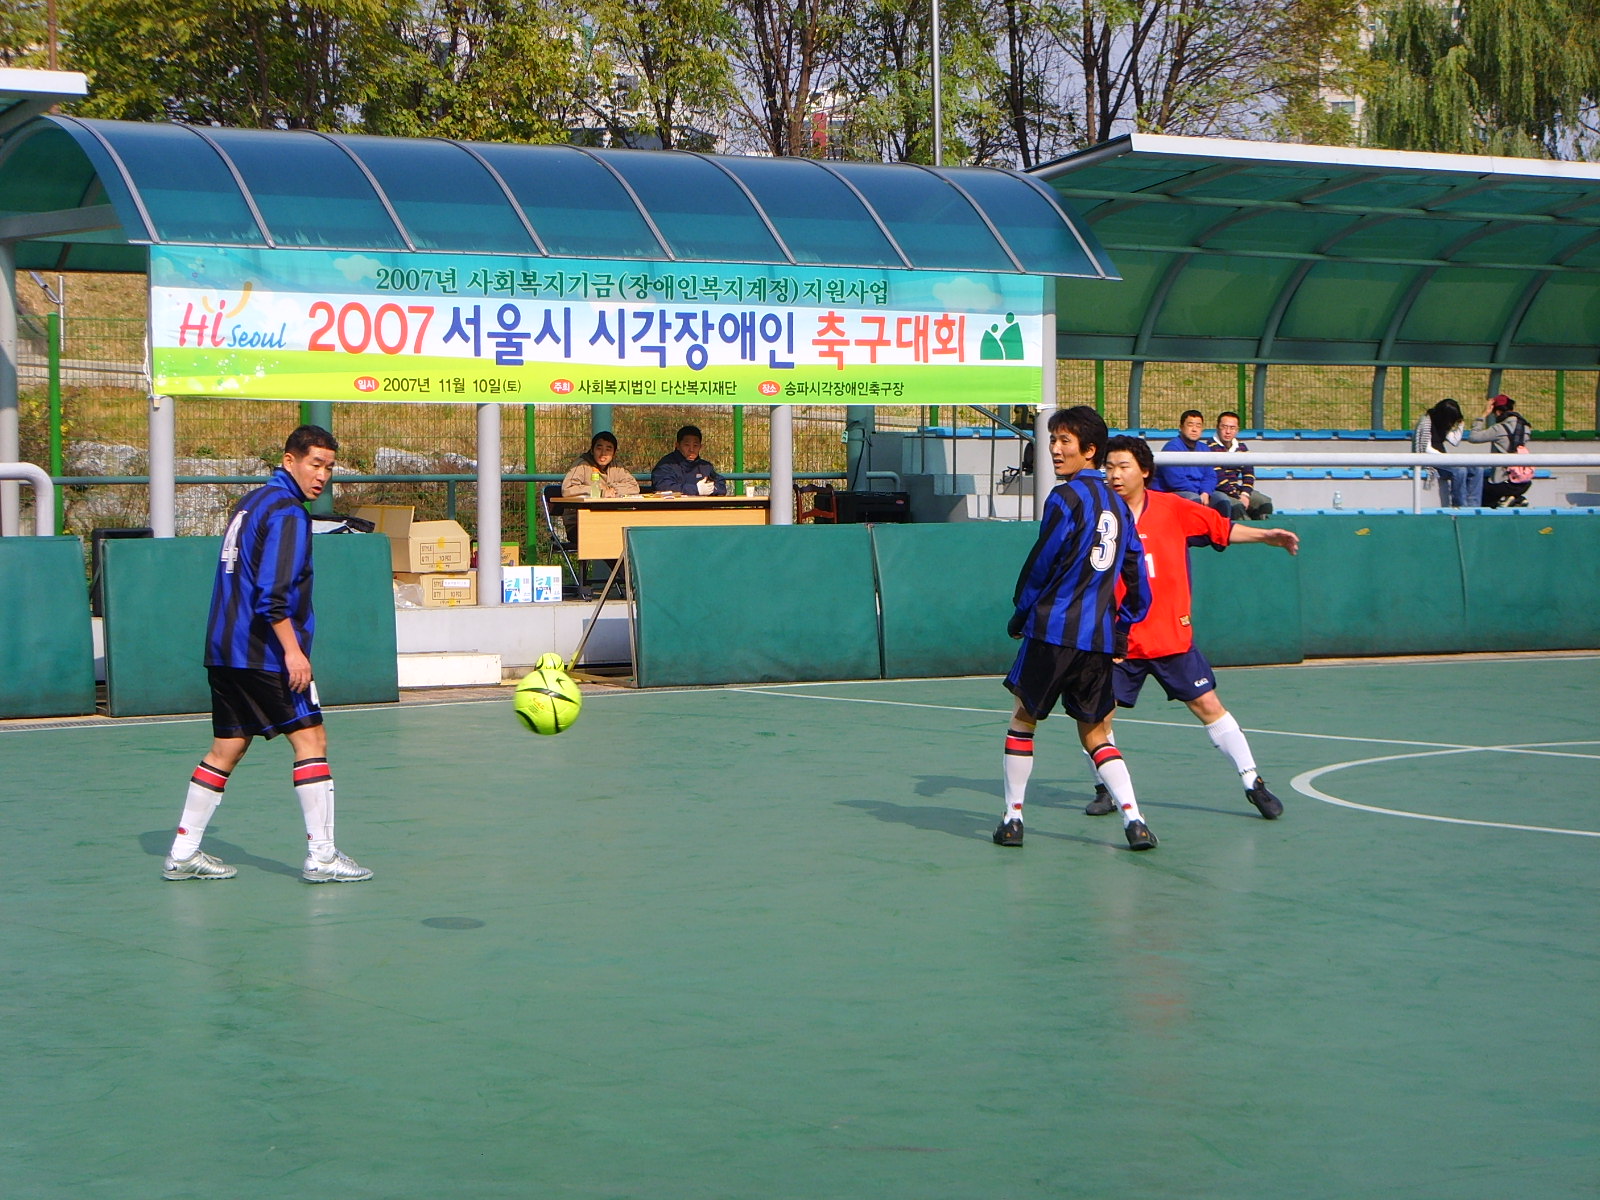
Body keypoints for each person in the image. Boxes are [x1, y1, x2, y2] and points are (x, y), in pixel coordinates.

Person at [161, 425, 372, 884]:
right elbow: (272, 596)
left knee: (227, 747)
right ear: (289, 460)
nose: (322, 476)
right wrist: (293, 653)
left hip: (223, 649)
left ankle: (183, 851)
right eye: (315, 464)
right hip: (263, 653)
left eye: (329, 468)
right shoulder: (288, 512)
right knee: (311, 741)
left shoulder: (250, 502)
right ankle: (323, 856)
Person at [1081, 436, 1299, 824]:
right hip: (1116, 641)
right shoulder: (1098, 516)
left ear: (1145, 471)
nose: (1114, 474)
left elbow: (1223, 529)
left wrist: (1266, 536)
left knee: (1209, 706)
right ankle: (1106, 789)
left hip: (1169, 637)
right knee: (1096, 719)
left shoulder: (1172, 509)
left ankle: (1253, 782)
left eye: (1123, 466)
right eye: (1109, 467)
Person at [996, 406, 1157, 851]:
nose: (1054, 448)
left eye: (1066, 441)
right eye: (1053, 440)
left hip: (1052, 631)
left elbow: (1042, 562)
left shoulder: (1064, 498)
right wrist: (1124, 625)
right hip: (1098, 640)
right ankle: (1135, 820)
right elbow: (1136, 579)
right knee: (1096, 733)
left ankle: (1013, 818)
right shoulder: (1122, 509)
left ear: (1090, 451)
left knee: (1023, 719)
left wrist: (1021, 612)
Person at [1154, 409, 1230, 515]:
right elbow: (1176, 481)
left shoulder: (1204, 448)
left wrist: (1205, 492)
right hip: (1172, 493)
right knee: (1193, 499)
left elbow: (1210, 476)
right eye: (1190, 425)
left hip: (1198, 492)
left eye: (1198, 426)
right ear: (1181, 427)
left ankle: (1223, 530)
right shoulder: (1172, 448)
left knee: (1222, 499)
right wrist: (1198, 494)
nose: (1194, 429)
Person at [1208, 410, 1273, 519]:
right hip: (1218, 491)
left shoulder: (1242, 447)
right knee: (1237, 506)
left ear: (1237, 430)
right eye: (1224, 427)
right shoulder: (1209, 447)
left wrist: (1245, 494)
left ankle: (1265, 531)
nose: (1228, 431)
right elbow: (1218, 479)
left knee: (1264, 502)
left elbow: (1249, 474)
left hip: (1236, 490)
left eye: (1232, 428)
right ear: (1217, 427)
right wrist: (1237, 496)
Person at [1475, 395, 1536, 509]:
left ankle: (1503, 500)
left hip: (1501, 482)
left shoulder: (1499, 428)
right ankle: (1516, 498)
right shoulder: (1526, 427)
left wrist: (1483, 415)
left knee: (1477, 485)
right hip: (1522, 482)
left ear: (1497, 412)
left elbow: (1474, 437)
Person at [1413, 398, 1475, 507]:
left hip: (1443, 460)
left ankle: (1474, 505)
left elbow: (1455, 441)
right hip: (1431, 462)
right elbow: (1426, 448)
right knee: (1460, 471)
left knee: (1477, 469)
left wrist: (1461, 425)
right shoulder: (1426, 422)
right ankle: (1460, 505)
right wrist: (1445, 459)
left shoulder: (1442, 424)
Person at [651, 425, 727, 496]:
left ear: (701, 446)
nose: (691, 449)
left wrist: (710, 489)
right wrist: (696, 490)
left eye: (695, 445)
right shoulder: (666, 465)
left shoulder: (706, 467)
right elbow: (663, 487)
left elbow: (721, 486)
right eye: (687, 445)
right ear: (677, 445)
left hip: (703, 508)